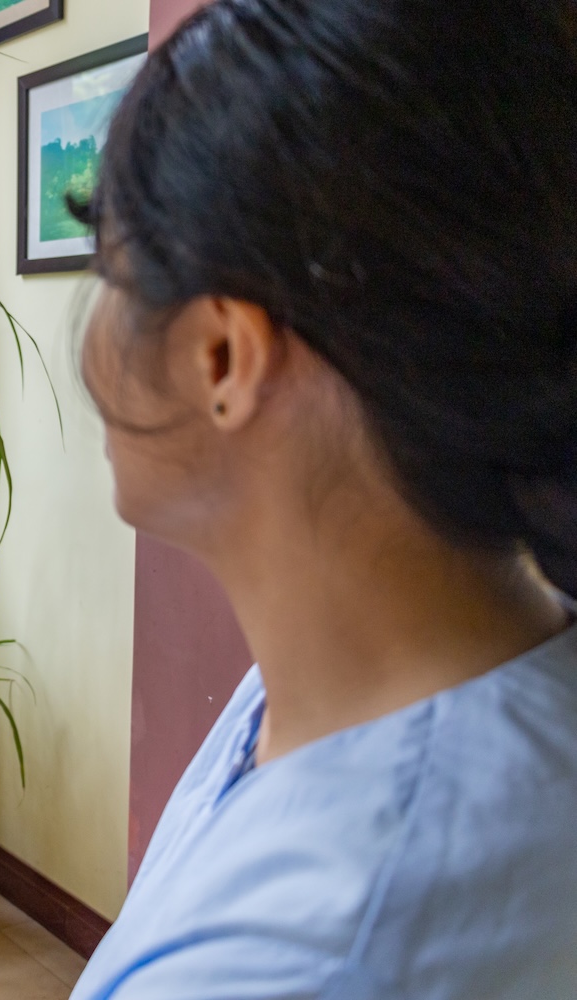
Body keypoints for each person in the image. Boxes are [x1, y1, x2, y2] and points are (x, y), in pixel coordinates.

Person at [68, 0, 577, 997]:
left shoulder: (308, 957)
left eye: (113, 272)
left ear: (223, 357)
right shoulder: (377, 679)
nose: (93, 336)